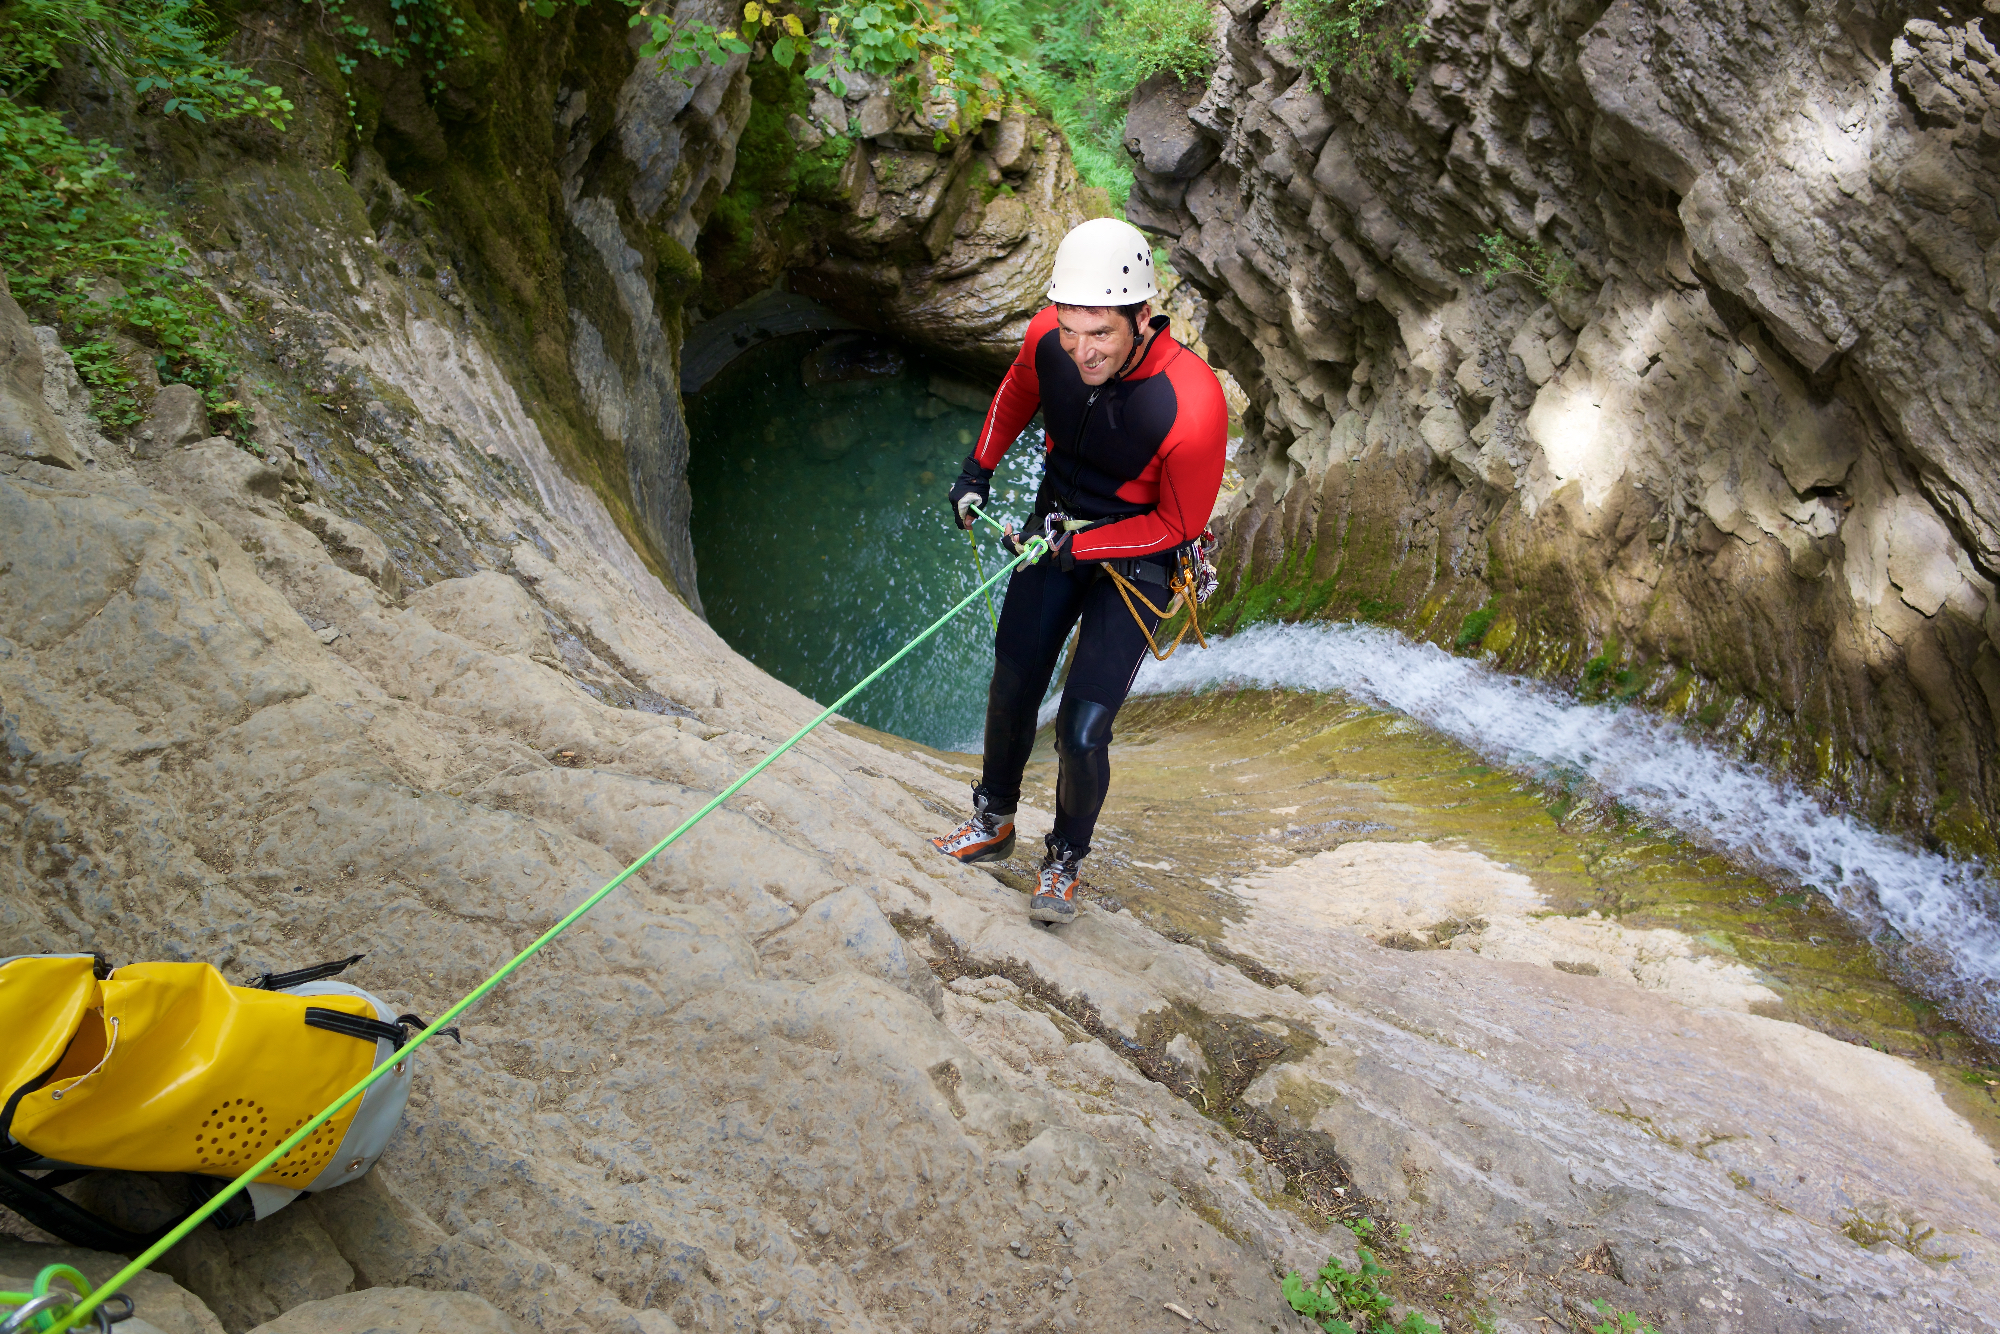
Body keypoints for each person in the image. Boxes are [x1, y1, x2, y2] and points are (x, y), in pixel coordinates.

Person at [929, 218, 1228, 924]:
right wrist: (978, 469)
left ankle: (1063, 861)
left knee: (1083, 729)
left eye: (1101, 334)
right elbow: (1015, 392)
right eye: (1071, 330)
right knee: (1014, 679)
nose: (1082, 350)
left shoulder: (1193, 403)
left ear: (1142, 317)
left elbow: (1177, 525)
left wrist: (1084, 548)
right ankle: (993, 820)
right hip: (1056, 525)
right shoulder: (1048, 340)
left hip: (1139, 560)